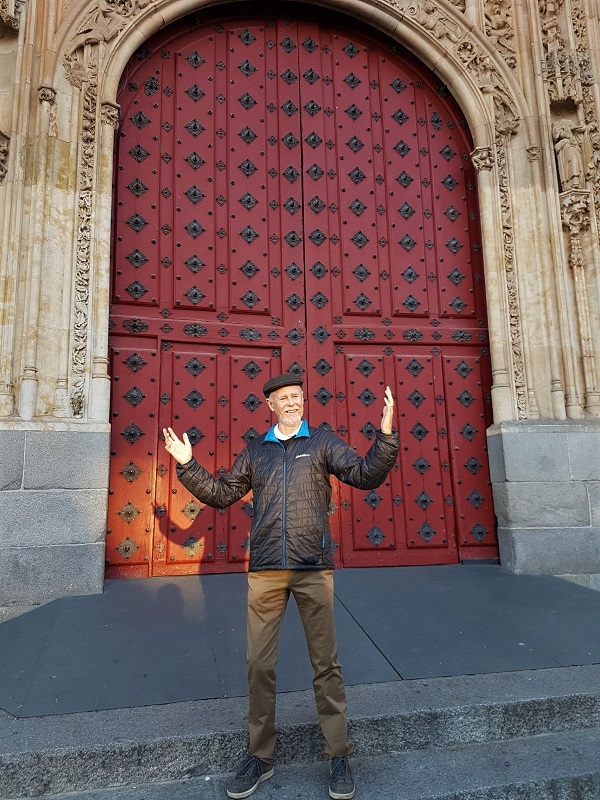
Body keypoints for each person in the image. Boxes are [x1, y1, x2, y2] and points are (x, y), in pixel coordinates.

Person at [164, 374, 398, 799]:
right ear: (270, 405)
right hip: (267, 570)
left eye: (297, 397)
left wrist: (385, 436)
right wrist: (187, 465)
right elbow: (222, 494)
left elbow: (365, 475)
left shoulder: (322, 442)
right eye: (284, 398)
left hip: (312, 568)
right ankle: (260, 756)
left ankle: (338, 754)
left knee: (326, 665)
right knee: (259, 665)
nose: (292, 403)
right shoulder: (257, 450)